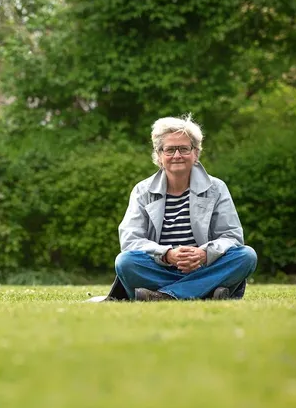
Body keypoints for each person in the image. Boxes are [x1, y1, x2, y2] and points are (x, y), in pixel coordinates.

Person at [105, 115, 257, 301]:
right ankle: (205, 292)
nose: (177, 155)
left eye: (184, 149)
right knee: (125, 262)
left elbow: (232, 236)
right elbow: (130, 240)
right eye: (170, 150)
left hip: (205, 268)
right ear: (159, 155)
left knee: (246, 256)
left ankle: (164, 295)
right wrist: (167, 255)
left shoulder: (216, 188)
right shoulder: (142, 191)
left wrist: (204, 254)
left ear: (195, 153)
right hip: (160, 269)